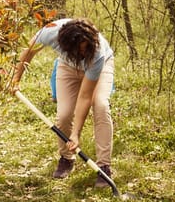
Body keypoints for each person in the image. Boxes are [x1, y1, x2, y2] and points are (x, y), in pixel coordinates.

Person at [12, 18, 115, 188]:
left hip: (99, 67)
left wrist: (76, 133)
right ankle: (66, 158)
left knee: (101, 106)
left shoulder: (96, 52)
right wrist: (15, 79)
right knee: (64, 115)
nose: (83, 53)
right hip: (67, 67)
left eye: (85, 49)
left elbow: (85, 96)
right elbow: (29, 51)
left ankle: (104, 167)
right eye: (80, 51)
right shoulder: (49, 32)